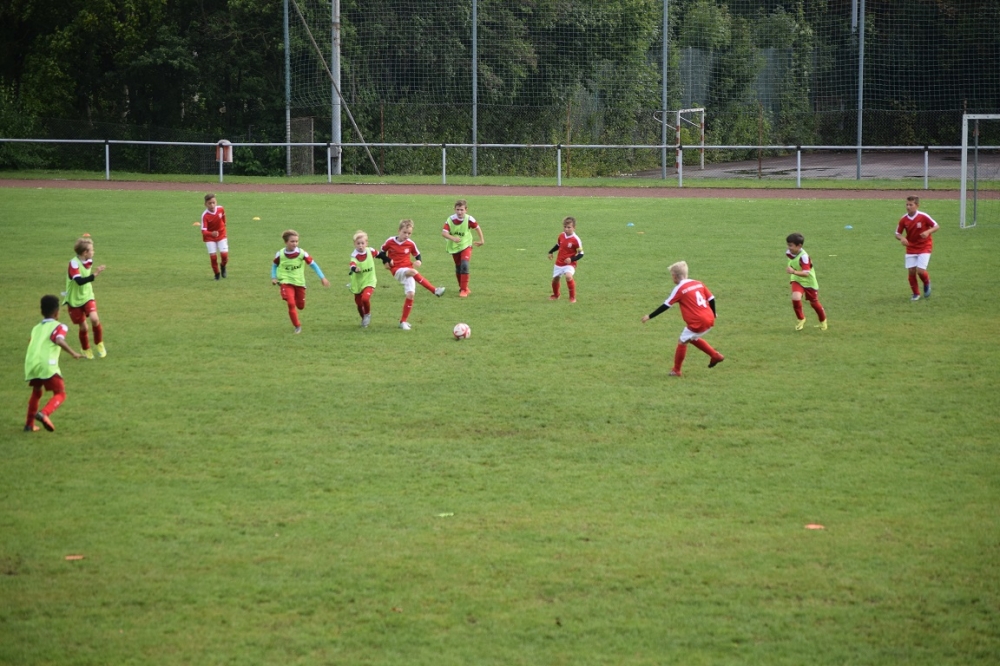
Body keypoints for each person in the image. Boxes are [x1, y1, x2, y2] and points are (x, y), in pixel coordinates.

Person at [641, 261, 724, 377]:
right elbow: (711, 298)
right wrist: (714, 313)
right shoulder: (698, 283)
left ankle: (676, 370)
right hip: (709, 317)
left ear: (674, 276)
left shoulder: (679, 289)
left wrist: (649, 316)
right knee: (691, 337)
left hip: (698, 321)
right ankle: (715, 355)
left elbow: (666, 305)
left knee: (682, 341)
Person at [24, 295, 85, 432]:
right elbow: (59, 340)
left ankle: (29, 424)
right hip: (47, 364)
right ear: (57, 312)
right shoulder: (59, 326)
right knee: (60, 393)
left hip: (32, 364)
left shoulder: (36, 328)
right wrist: (73, 353)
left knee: (36, 392)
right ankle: (44, 413)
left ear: (42, 311)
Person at [379, 219, 445, 330]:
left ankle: (403, 322)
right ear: (399, 231)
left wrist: (419, 261)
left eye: (409, 233)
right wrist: (385, 261)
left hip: (408, 269)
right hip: (397, 270)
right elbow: (381, 252)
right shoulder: (390, 241)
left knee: (411, 294)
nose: (406, 235)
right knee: (413, 272)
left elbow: (417, 255)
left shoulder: (410, 243)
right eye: (404, 232)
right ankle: (435, 290)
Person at [271, 229, 330, 333]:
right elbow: (274, 265)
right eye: (292, 241)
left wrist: (322, 277)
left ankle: (296, 300)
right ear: (286, 242)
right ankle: (297, 326)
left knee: (300, 306)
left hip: (299, 282)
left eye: (296, 241)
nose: (295, 243)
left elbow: (313, 265)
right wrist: (274, 277)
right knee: (291, 303)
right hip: (285, 281)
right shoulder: (280, 254)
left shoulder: (302, 253)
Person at [64, 236, 107, 359]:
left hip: (87, 295)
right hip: (74, 300)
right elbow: (79, 281)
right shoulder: (73, 264)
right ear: (85, 252)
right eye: (91, 250)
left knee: (94, 319)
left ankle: (99, 344)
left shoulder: (88, 260)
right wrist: (95, 274)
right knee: (84, 327)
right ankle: (85, 348)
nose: (93, 252)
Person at [895, 195, 939, 301]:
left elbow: (936, 226)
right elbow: (897, 233)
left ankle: (926, 282)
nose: (908, 207)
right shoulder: (903, 219)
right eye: (907, 204)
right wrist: (902, 238)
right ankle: (916, 294)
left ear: (917, 205)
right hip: (911, 247)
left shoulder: (923, 216)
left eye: (911, 205)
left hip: (924, 246)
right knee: (911, 271)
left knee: (920, 271)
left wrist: (928, 231)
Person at [441, 199, 485, 298]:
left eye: (461, 210)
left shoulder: (469, 219)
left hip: (466, 245)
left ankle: (464, 290)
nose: (459, 212)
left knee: (464, 264)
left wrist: (482, 240)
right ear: (454, 209)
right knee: (458, 267)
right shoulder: (450, 220)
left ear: (466, 210)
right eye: (458, 209)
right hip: (455, 247)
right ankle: (462, 287)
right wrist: (453, 238)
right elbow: (444, 233)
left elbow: (477, 227)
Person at [785, 233, 828, 331]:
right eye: (788, 245)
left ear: (799, 246)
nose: (788, 248)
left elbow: (806, 273)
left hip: (809, 282)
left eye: (791, 245)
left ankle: (823, 321)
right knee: (795, 297)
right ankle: (801, 319)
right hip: (797, 279)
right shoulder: (789, 253)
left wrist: (793, 271)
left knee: (814, 303)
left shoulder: (804, 257)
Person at [548, 216, 583, 302]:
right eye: (565, 227)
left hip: (569, 263)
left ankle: (572, 297)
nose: (566, 229)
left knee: (568, 276)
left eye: (569, 227)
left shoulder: (576, 240)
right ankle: (556, 295)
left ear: (574, 228)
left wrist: (571, 259)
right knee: (556, 279)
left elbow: (581, 254)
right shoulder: (561, 235)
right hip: (559, 262)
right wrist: (551, 251)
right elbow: (558, 245)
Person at [349, 230, 379, 328]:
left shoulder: (370, 251)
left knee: (365, 298)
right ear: (354, 244)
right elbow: (352, 265)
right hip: (358, 283)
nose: (360, 246)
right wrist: (355, 269)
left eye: (362, 243)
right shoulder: (354, 255)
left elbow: (380, 254)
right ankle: (364, 320)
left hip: (370, 280)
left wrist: (388, 260)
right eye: (358, 243)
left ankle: (367, 314)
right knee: (359, 304)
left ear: (366, 243)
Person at [201, 193, 229, 280]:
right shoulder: (205, 216)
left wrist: (224, 225)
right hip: (210, 238)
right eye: (209, 203)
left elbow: (223, 217)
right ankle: (217, 274)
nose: (212, 205)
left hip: (221, 235)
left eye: (214, 202)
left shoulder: (221, 209)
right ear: (205, 204)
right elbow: (203, 231)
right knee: (213, 257)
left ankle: (223, 266)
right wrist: (211, 234)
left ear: (216, 202)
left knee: (224, 255)